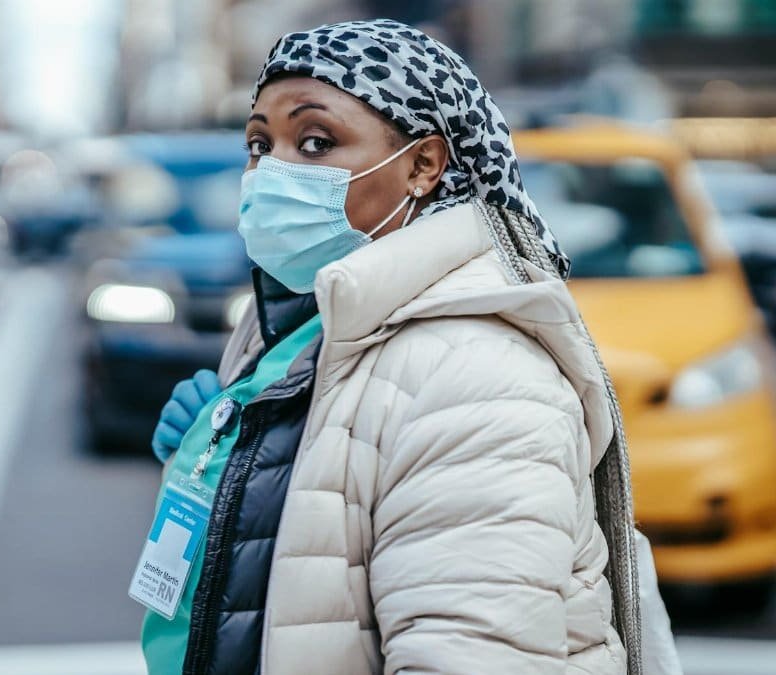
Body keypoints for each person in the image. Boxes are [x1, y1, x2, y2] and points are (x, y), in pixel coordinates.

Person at [130, 19, 679, 675]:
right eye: (258, 144)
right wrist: (226, 457)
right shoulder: (304, 330)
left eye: (314, 141)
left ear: (423, 165)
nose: (269, 171)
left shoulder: (475, 377)